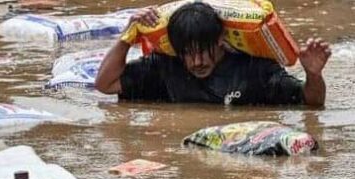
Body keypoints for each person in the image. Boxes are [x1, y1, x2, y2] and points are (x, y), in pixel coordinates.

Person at [95, 3, 331, 106]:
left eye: (203, 51)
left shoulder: (254, 70)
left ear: (220, 41)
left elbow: (311, 103)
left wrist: (313, 75)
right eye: (188, 54)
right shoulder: (163, 67)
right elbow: (105, 84)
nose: (197, 62)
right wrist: (127, 37)